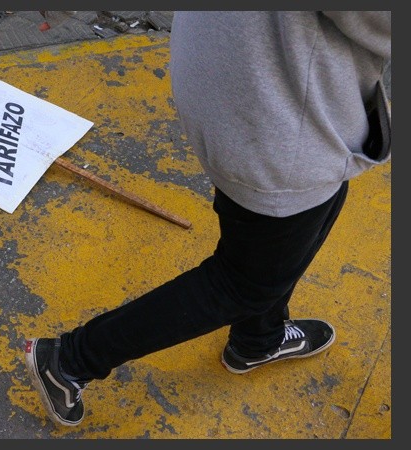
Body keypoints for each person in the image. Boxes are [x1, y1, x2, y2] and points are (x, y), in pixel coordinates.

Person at [24, 11, 391, 427]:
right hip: (275, 109)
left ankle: (259, 338)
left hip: (231, 72)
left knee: (295, 224)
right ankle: (69, 361)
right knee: (243, 283)